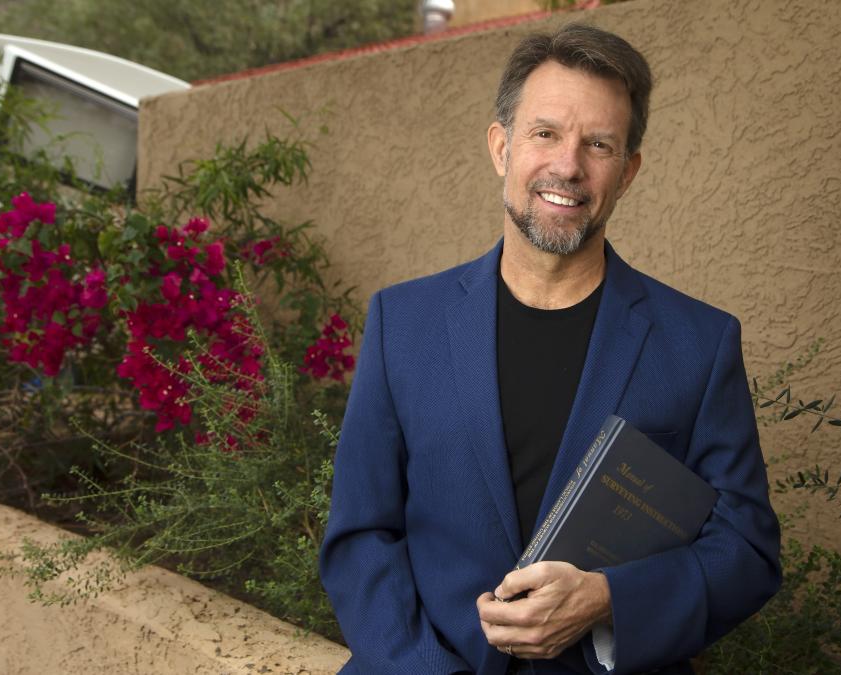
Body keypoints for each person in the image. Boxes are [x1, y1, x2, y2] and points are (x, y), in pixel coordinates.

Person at [319, 23, 781, 675]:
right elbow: (359, 536)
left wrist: (608, 598)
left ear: (627, 172)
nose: (567, 165)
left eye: (598, 143)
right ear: (500, 146)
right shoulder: (402, 321)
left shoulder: (699, 343)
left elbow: (747, 550)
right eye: (545, 133)